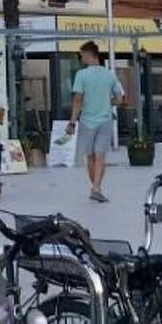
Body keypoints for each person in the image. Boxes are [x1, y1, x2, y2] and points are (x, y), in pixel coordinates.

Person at [67, 41, 123, 204]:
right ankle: (96, 188)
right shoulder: (109, 75)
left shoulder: (81, 75)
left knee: (90, 157)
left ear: (90, 55)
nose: (81, 57)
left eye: (82, 54)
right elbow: (119, 99)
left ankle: (95, 187)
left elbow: (77, 100)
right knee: (101, 157)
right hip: (105, 120)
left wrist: (72, 122)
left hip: (87, 122)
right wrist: (107, 103)